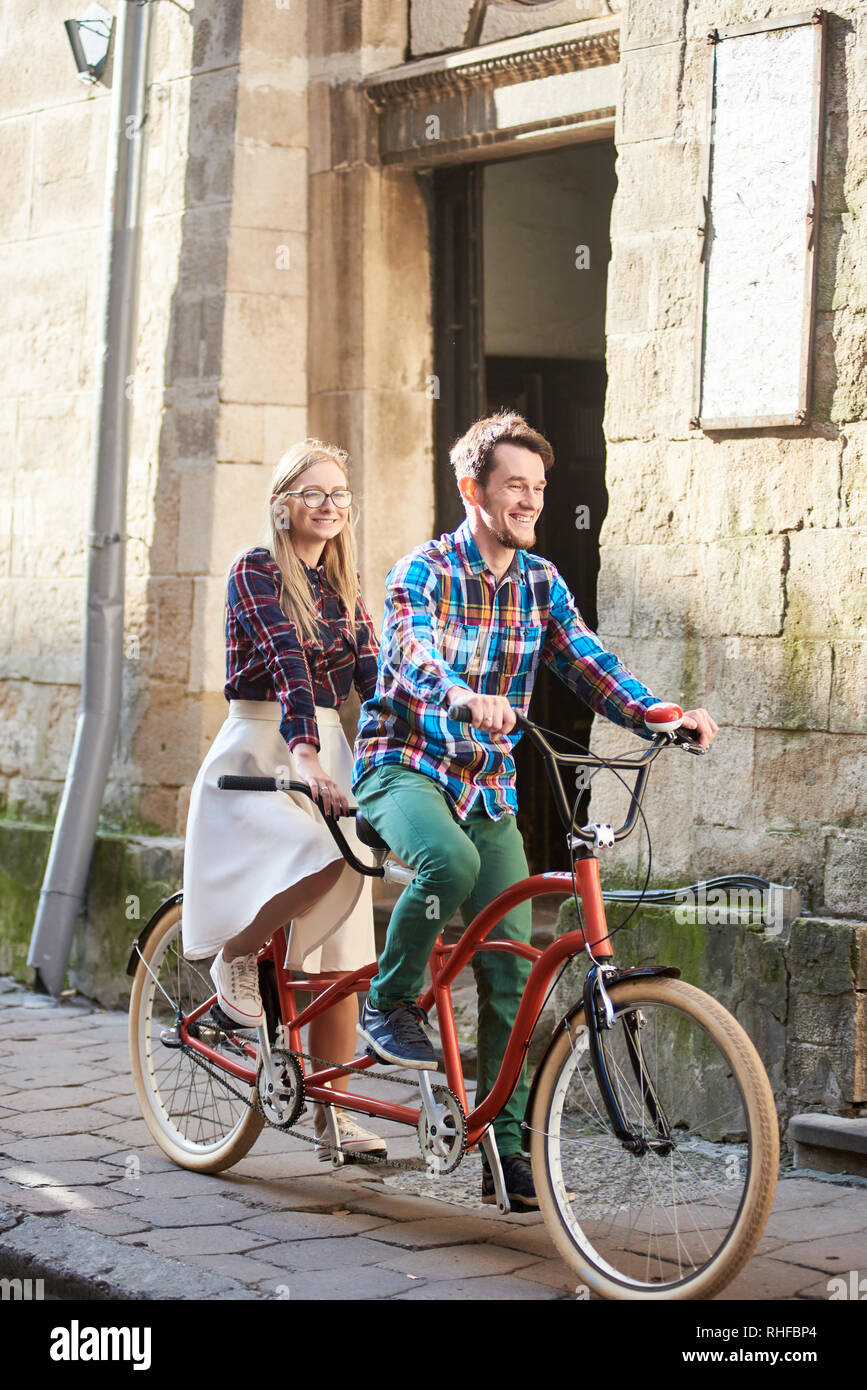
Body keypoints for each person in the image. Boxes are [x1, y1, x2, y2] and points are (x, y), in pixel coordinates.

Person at [352, 411, 718, 1208]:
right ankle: (386, 1002)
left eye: (539, 489)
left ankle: (508, 1152)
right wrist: (459, 695)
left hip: (486, 787)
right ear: (471, 489)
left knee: (512, 971)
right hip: (402, 766)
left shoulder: (540, 581)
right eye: (514, 485)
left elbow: (588, 664)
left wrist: (659, 714)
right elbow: (409, 651)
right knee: (447, 862)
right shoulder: (420, 571)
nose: (529, 501)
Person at [182, 438, 387, 1161]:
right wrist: (302, 756)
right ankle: (237, 954)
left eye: (339, 495)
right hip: (263, 751)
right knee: (316, 856)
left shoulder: (344, 587)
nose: (328, 506)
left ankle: (335, 1115)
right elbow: (288, 667)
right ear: (281, 504)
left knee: (341, 952)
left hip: (328, 753)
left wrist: (429, 731)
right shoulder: (255, 569)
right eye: (313, 493)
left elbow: (377, 677)